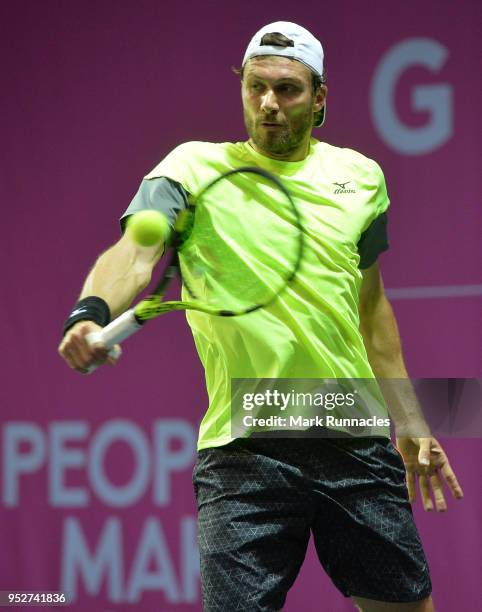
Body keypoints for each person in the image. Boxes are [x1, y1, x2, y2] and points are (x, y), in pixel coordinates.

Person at [58, 21, 464, 612]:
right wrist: (90, 311)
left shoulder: (363, 179)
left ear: (319, 97)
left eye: (288, 89)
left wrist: (413, 422)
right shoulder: (189, 170)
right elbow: (136, 252)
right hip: (243, 453)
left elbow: (371, 309)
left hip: (351, 434)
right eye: (255, 87)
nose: (269, 104)